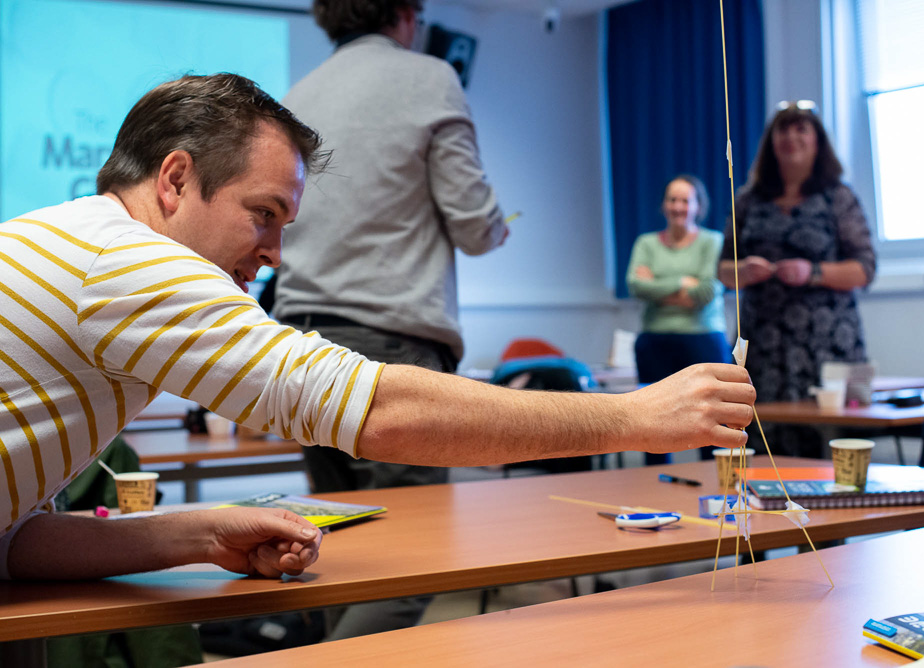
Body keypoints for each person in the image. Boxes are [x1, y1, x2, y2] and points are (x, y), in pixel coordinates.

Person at [0, 73, 756, 582]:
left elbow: (17, 544)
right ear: (173, 180)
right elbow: (380, 412)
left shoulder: (82, 244)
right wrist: (634, 414)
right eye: (262, 215)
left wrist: (200, 535)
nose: (272, 255)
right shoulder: (126, 261)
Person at [271, 0, 507, 637]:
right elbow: (473, 224)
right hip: (389, 348)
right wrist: (497, 225)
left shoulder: (296, 95)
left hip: (301, 344)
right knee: (418, 562)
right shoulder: (429, 77)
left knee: (333, 556)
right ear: (407, 13)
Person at [719, 102, 875, 458]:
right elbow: (722, 269)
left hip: (826, 342)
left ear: (818, 141)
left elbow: (865, 268)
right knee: (761, 438)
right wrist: (743, 271)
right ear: (771, 142)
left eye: (801, 129)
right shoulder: (748, 200)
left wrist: (814, 272)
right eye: (783, 130)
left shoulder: (838, 196)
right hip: (763, 343)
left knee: (824, 440)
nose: (791, 137)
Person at [627, 175, 728, 464]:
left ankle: (714, 490)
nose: (678, 206)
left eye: (685, 200)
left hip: (704, 340)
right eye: (672, 199)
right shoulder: (646, 243)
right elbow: (635, 286)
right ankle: (656, 493)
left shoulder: (713, 241)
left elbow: (707, 291)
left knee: (711, 423)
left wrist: (657, 286)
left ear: (698, 206)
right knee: (654, 425)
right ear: (663, 205)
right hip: (654, 341)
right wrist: (683, 283)